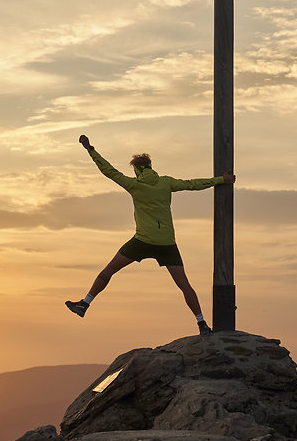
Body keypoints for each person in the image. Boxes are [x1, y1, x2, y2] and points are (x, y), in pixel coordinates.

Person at [65, 134, 234, 336]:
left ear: (136, 170)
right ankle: (202, 325)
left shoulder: (135, 185)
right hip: (166, 243)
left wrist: (90, 149)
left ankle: (84, 304)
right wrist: (221, 180)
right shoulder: (166, 183)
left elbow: (108, 171)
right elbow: (193, 184)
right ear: (151, 166)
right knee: (184, 285)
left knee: (108, 270)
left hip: (142, 241)